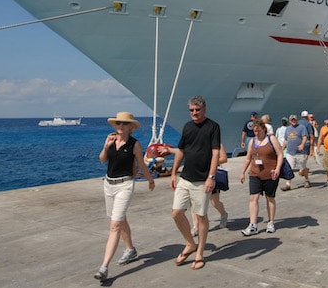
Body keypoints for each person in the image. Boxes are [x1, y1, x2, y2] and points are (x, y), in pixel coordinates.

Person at [94, 112, 155, 282]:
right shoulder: (112, 141)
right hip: (108, 184)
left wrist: (150, 179)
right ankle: (131, 250)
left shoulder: (134, 144)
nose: (120, 127)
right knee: (119, 220)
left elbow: (141, 163)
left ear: (130, 127)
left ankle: (104, 267)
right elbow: (102, 160)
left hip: (125, 185)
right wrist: (106, 146)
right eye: (118, 124)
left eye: (124, 124)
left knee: (114, 225)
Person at [169, 96, 221, 270]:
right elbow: (181, 150)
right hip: (185, 177)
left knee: (200, 217)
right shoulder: (187, 127)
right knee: (177, 213)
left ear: (204, 109)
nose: (194, 113)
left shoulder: (213, 127)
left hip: (202, 180)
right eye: (191, 110)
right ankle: (190, 244)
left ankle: (200, 252)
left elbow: (215, 153)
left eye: (197, 110)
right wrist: (173, 173)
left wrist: (211, 177)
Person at [159, 143, 229, 235]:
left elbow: (224, 158)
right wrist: (169, 150)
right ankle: (196, 226)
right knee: (194, 202)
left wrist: (208, 162)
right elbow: (183, 151)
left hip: (210, 176)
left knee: (214, 202)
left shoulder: (217, 143)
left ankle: (223, 214)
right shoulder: (196, 141)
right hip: (196, 176)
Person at [239, 119, 284, 235]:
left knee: (270, 198)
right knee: (253, 198)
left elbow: (280, 154)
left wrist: (278, 169)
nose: (257, 133)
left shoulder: (271, 139)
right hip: (255, 174)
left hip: (270, 174)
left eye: (258, 131)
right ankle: (253, 225)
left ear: (264, 130)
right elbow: (248, 158)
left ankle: (271, 222)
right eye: (254, 131)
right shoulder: (252, 141)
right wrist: (242, 172)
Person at [281, 114, 310, 190]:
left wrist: (302, 144)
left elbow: (304, 137)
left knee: (303, 168)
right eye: (292, 120)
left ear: (297, 120)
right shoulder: (288, 129)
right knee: (289, 168)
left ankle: (306, 180)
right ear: (290, 121)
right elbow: (286, 140)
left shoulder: (302, 127)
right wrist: (282, 149)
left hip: (300, 152)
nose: (293, 121)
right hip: (290, 152)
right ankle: (288, 184)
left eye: (294, 119)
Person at [297, 110, 316, 183]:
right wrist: (312, 145)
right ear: (307, 116)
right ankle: (302, 169)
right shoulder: (308, 124)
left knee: (299, 155)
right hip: (306, 141)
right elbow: (311, 135)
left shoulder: (298, 123)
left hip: (298, 141)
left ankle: (301, 168)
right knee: (305, 155)